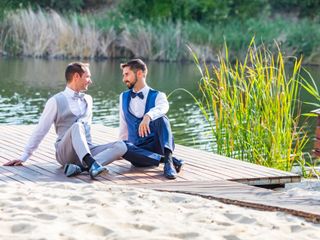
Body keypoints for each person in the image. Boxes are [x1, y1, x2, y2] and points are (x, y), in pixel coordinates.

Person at [3, 62, 127, 179]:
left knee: (121, 146)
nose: (90, 80)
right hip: (65, 152)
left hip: (87, 149)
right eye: (87, 77)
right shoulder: (55, 101)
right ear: (76, 76)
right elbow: (41, 130)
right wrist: (24, 156)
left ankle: (80, 168)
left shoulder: (88, 99)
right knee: (77, 126)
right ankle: (91, 164)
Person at [119, 59, 184, 179]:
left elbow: (163, 107)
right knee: (121, 146)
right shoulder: (123, 96)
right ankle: (167, 160)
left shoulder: (158, 95)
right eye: (123, 75)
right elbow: (123, 125)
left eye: (127, 74)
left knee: (162, 118)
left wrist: (148, 116)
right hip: (138, 152)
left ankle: (168, 162)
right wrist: (121, 147)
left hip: (157, 146)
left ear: (139, 73)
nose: (124, 79)